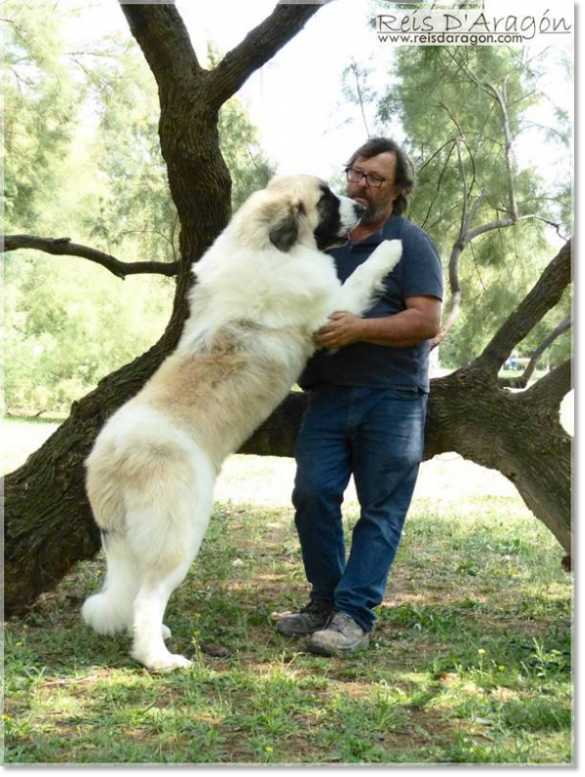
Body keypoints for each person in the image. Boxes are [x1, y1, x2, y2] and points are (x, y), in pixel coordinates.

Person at [276, 137, 444, 656]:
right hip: (327, 397)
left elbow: (426, 319)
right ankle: (324, 602)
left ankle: (353, 615)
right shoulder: (329, 243)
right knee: (312, 496)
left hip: (391, 399)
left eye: (375, 178)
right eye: (355, 173)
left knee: (381, 509)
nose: (360, 185)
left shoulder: (409, 243)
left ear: (397, 191)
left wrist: (360, 329)